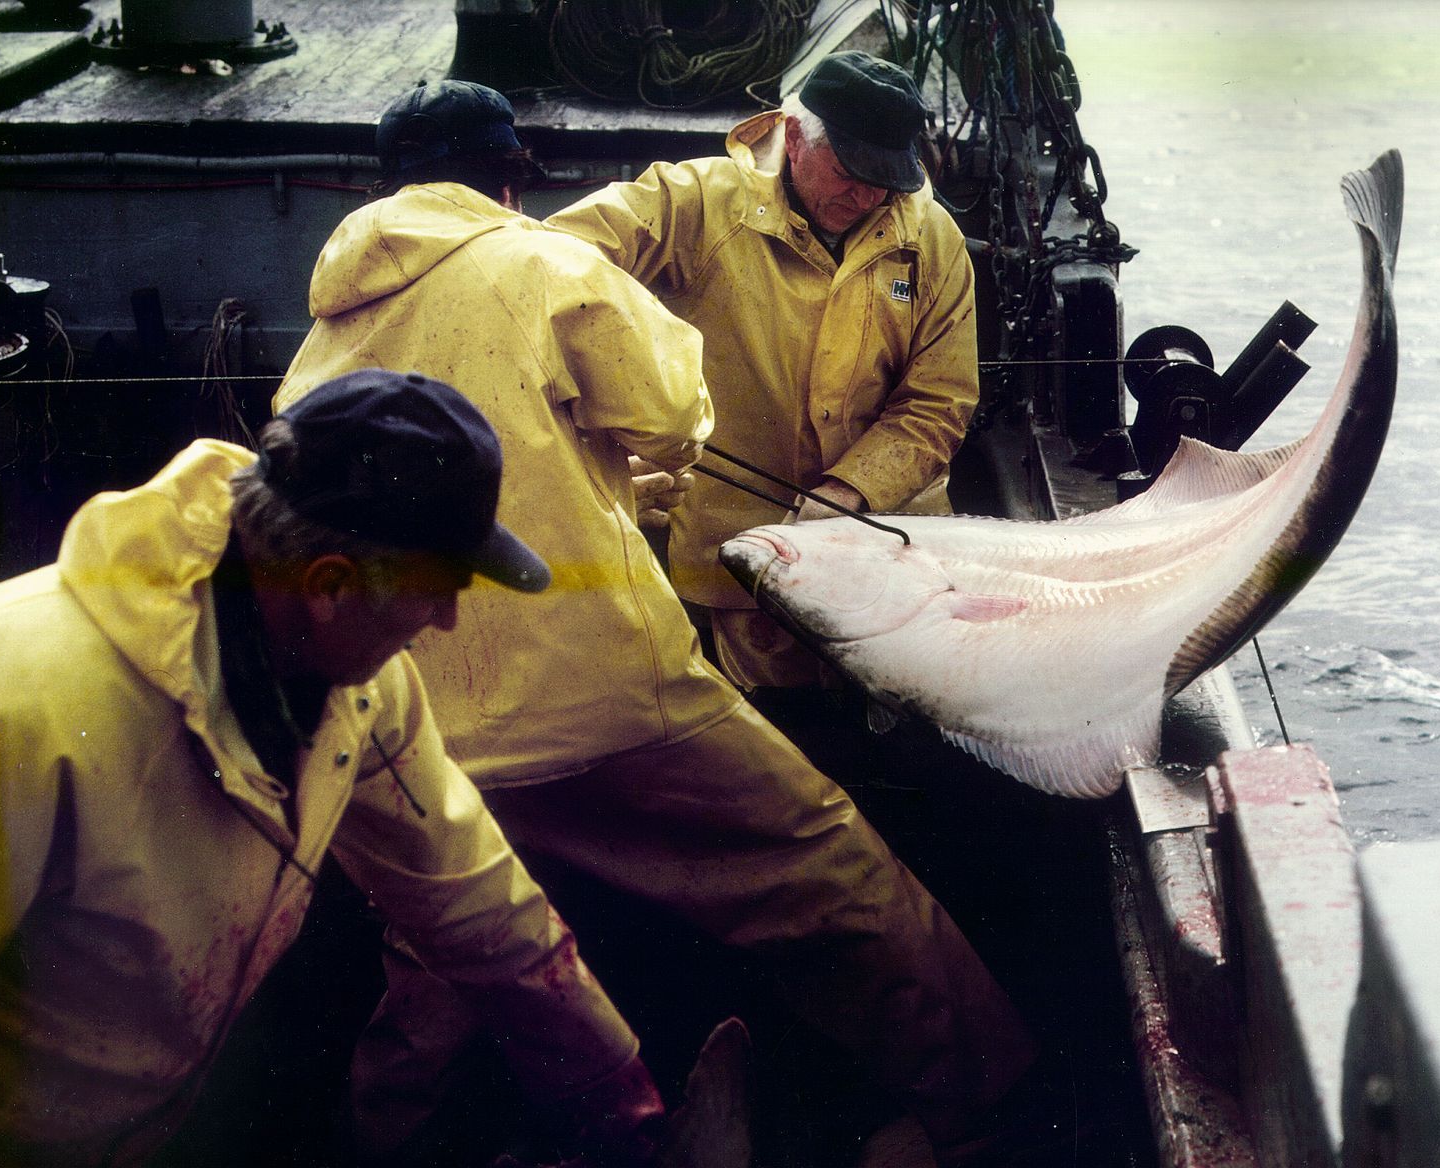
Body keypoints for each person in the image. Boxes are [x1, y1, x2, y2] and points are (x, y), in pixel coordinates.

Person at [273, 80, 1034, 1164]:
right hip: (608, 693)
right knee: (821, 861)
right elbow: (673, 415)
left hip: (424, 720)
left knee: (439, 961)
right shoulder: (561, 263)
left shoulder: (323, 336)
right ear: (510, 179)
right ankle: (989, 1100)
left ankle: (381, 1150)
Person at [0, 369, 664, 1167]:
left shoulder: (360, 684)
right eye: (441, 591)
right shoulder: (7, 703)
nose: (451, 621)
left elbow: (475, 899)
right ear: (329, 586)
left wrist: (616, 1091)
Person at [544, 49, 980, 692]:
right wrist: (623, 384)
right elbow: (548, 263)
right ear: (795, 136)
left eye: (887, 179)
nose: (866, 195)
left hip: (888, 549)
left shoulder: (933, 240)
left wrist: (850, 492)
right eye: (849, 172)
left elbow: (939, 401)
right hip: (732, 562)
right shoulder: (692, 201)